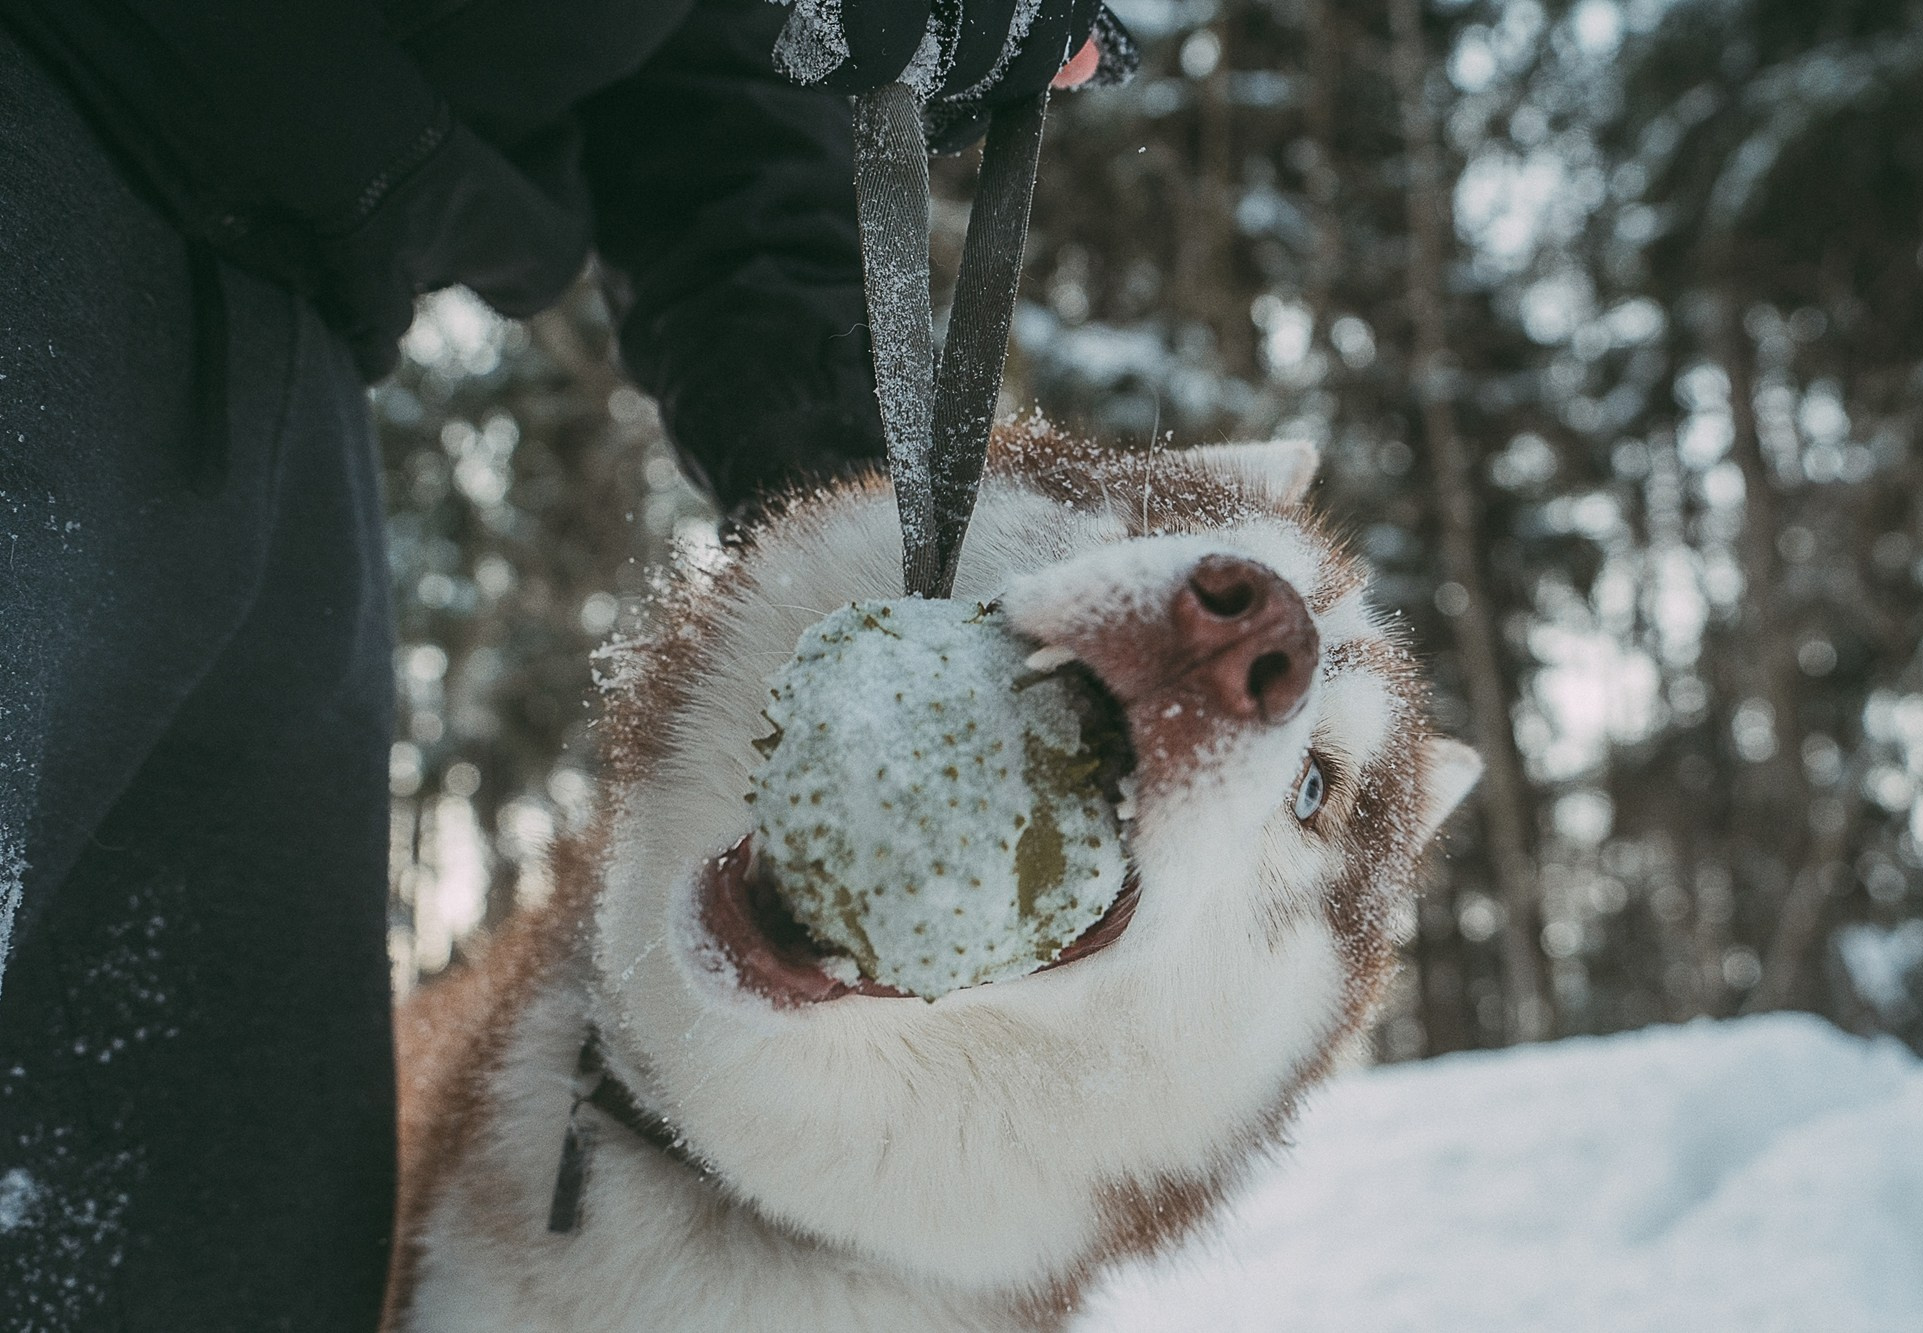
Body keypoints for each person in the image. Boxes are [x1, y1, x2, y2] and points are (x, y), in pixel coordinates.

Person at [0, 0, 1128, 1325]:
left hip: (298, 324)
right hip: (50, 118)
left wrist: (878, 562)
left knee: (216, 1243)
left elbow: (720, 136)